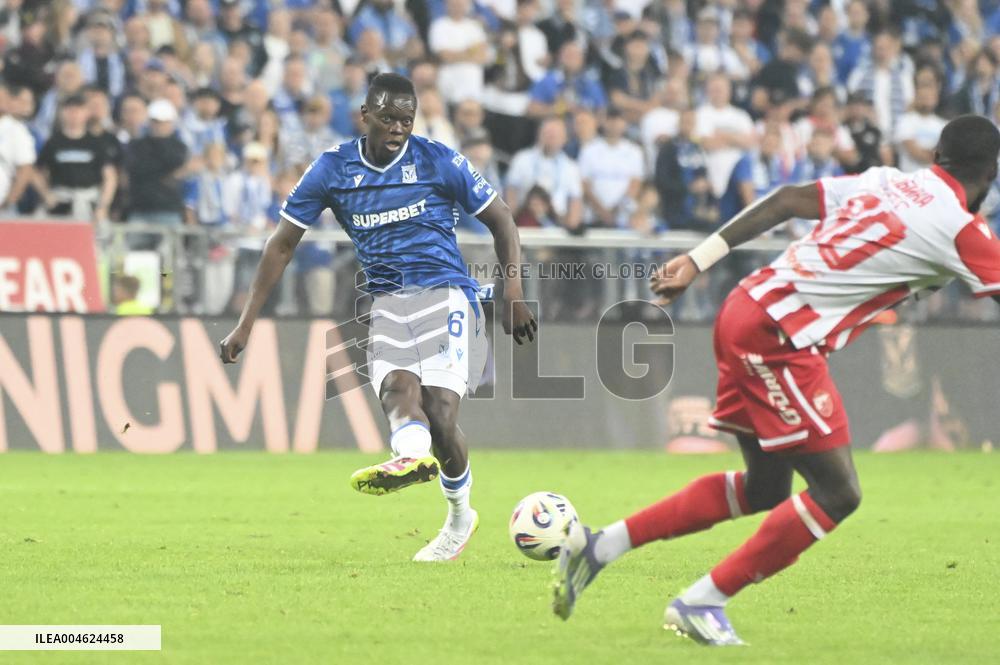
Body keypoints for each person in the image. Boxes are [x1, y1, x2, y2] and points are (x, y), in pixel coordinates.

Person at [552, 114, 1000, 644]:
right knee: (838, 492)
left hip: (744, 306)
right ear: (991, 173)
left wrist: (698, 259)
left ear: (934, 159)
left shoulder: (888, 181)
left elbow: (787, 199)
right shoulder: (964, 230)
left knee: (765, 487)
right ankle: (701, 602)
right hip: (779, 337)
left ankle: (598, 546)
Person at [218, 73, 536, 562]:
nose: (397, 128)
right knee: (395, 390)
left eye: (405, 120)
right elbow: (281, 245)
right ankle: (409, 456)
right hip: (386, 301)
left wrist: (512, 290)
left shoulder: (437, 158)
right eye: (388, 118)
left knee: (439, 412)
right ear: (364, 116)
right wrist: (246, 322)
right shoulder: (331, 169)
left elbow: (502, 221)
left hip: (447, 293)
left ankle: (458, 516)